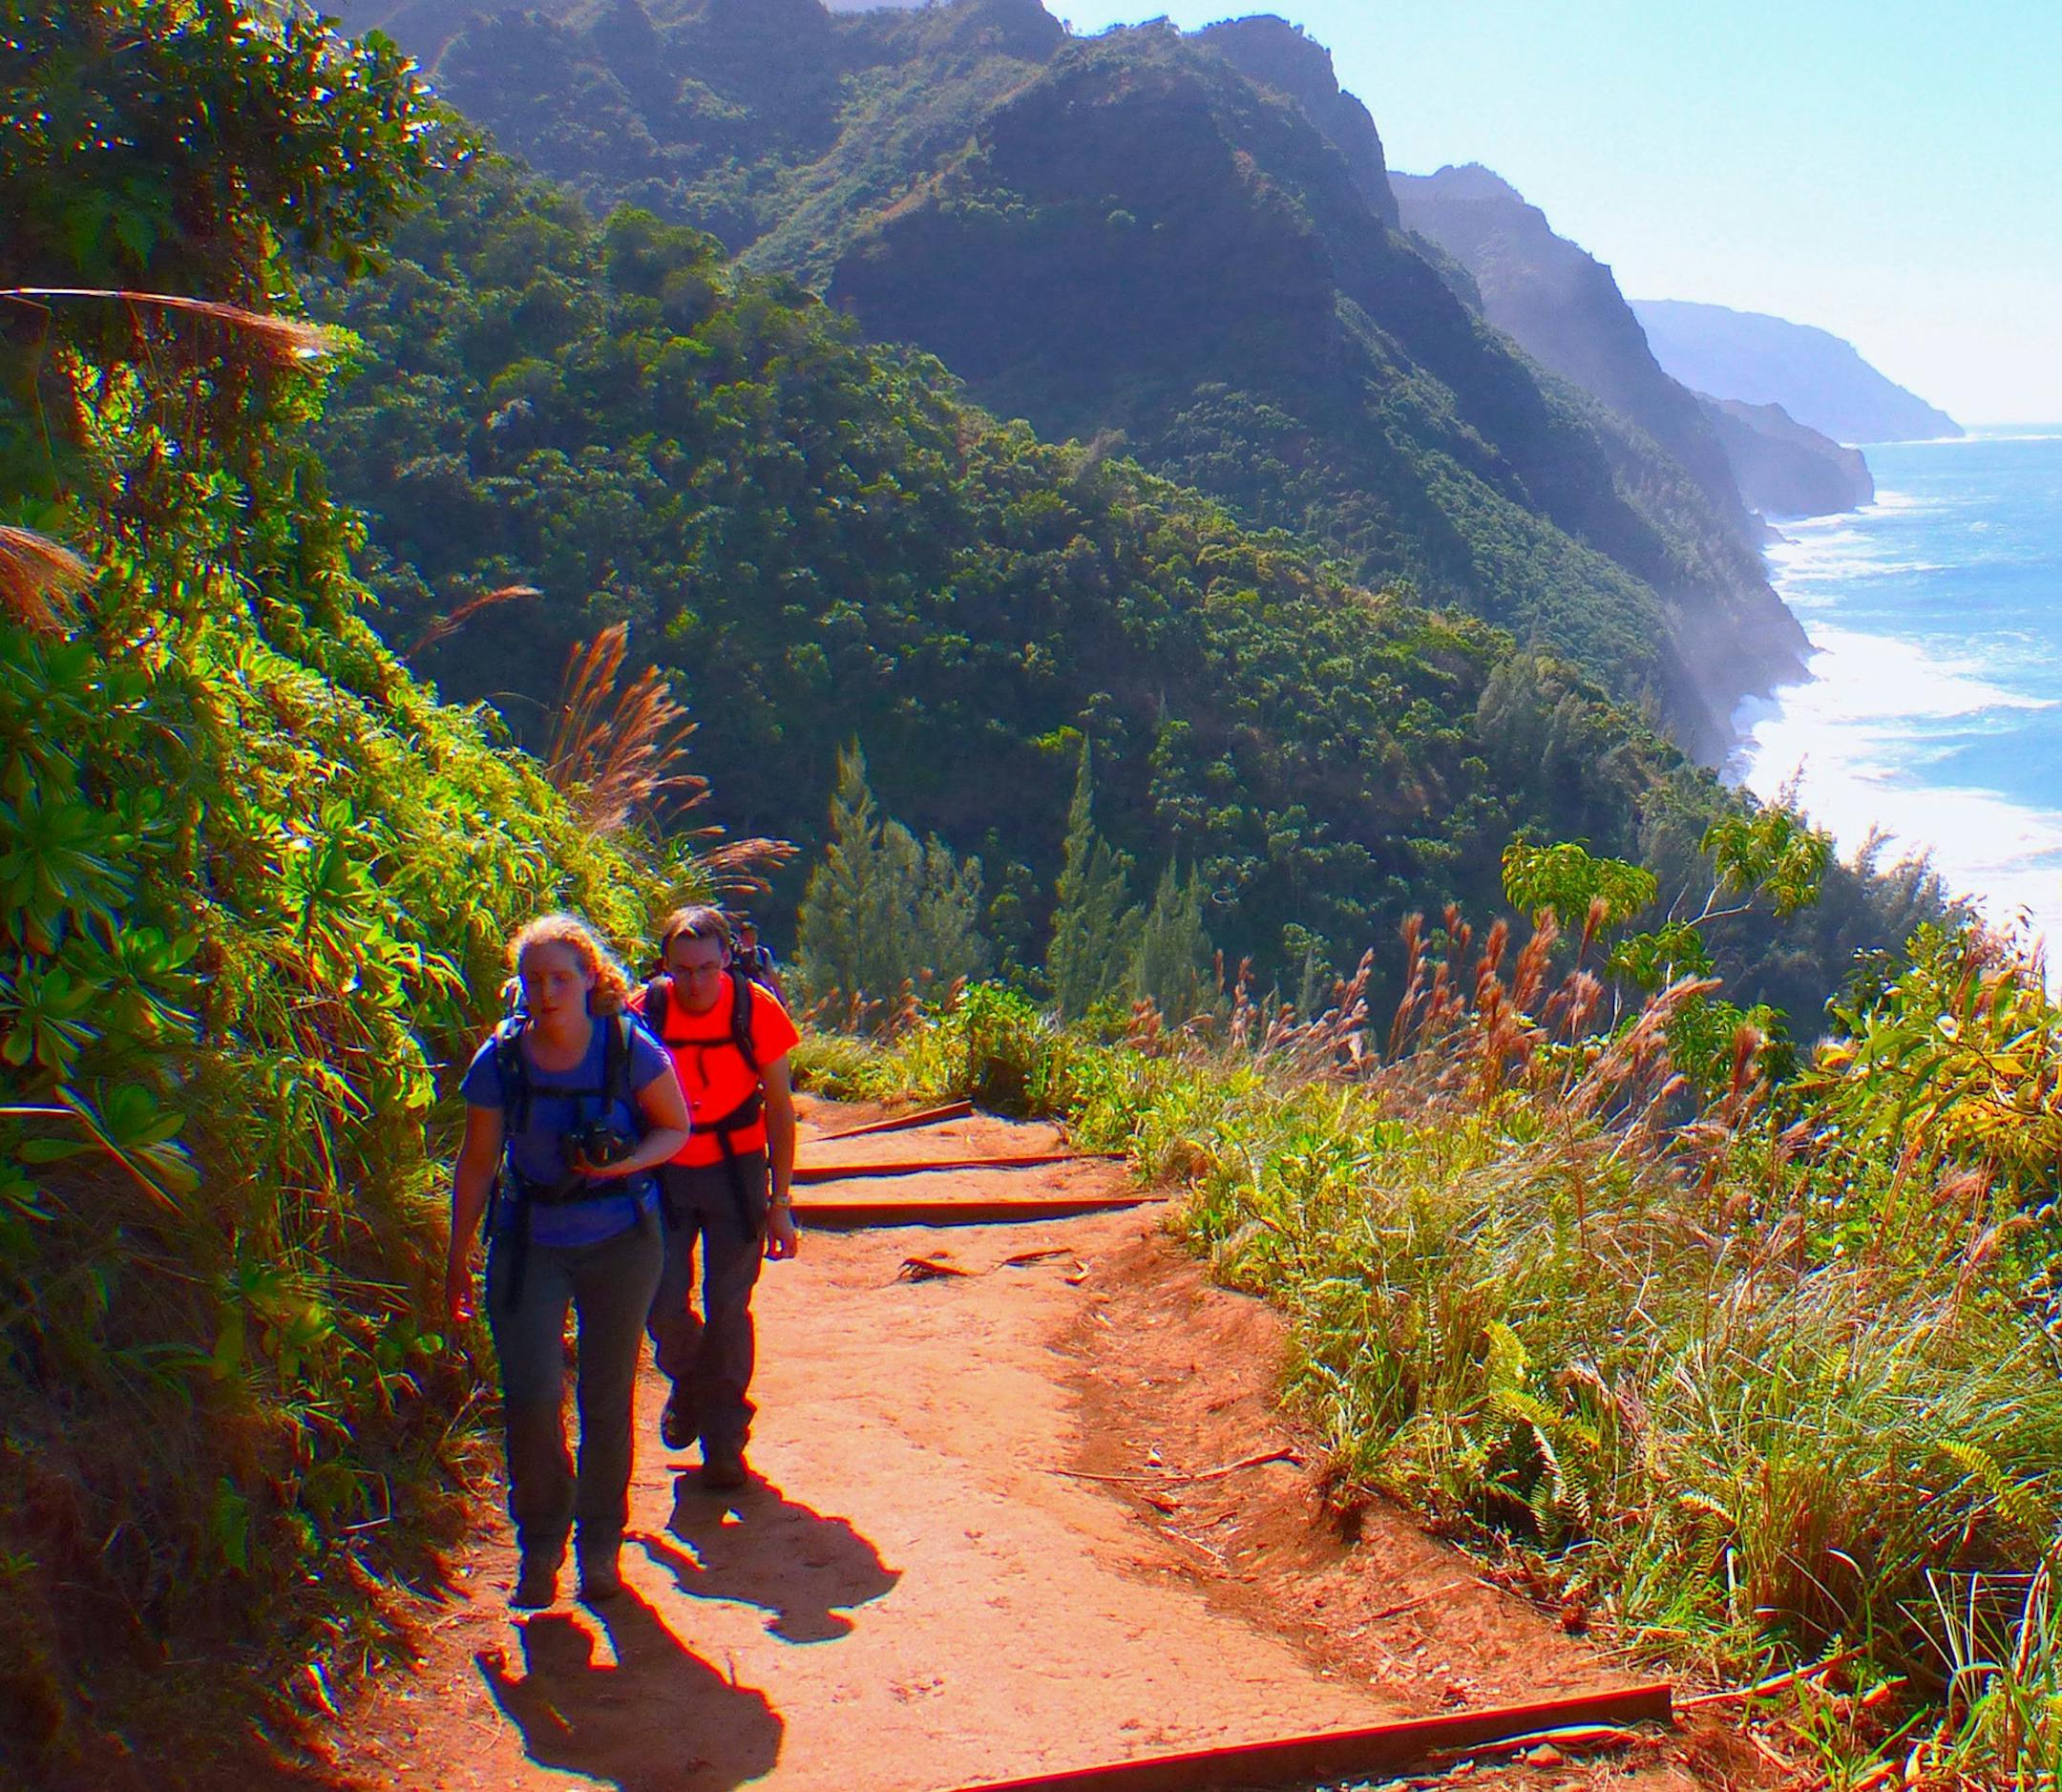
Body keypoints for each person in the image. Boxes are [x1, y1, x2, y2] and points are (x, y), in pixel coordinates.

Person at [446, 914, 692, 1609]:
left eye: (561, 977)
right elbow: (476, 1163)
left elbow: (676, 1125)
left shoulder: (626, 1047)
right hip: (528, 1243)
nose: (547, 992)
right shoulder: (502, 1058)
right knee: (531, 1399)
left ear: (590, 978)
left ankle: (600, 1550)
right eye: (535, 980)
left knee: (605, 1398)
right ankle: (540, 1546)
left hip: (621, 1240)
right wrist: (457, 1255)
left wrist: (626, 1165)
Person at [634, 906, 800, 1489]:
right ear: (666, 966)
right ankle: (698, 1387)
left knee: (730, 1305)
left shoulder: (757, 1009)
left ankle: (725, 1438)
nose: (696, 982)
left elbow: (779, 1106)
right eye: (683, 970)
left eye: (707, 967)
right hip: (665, 1177)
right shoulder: (646, 1011)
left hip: (737, 1174)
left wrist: (780, 1202)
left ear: (727, 960)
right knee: (661, 1305)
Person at [732, 915, 789, 1009]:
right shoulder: (735, 955)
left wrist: (783, 1001)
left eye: (753, 937)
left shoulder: (763, 954)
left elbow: (773, 978)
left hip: (762, 994)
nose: (751, 940)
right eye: (747, 937)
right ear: (741, 937)